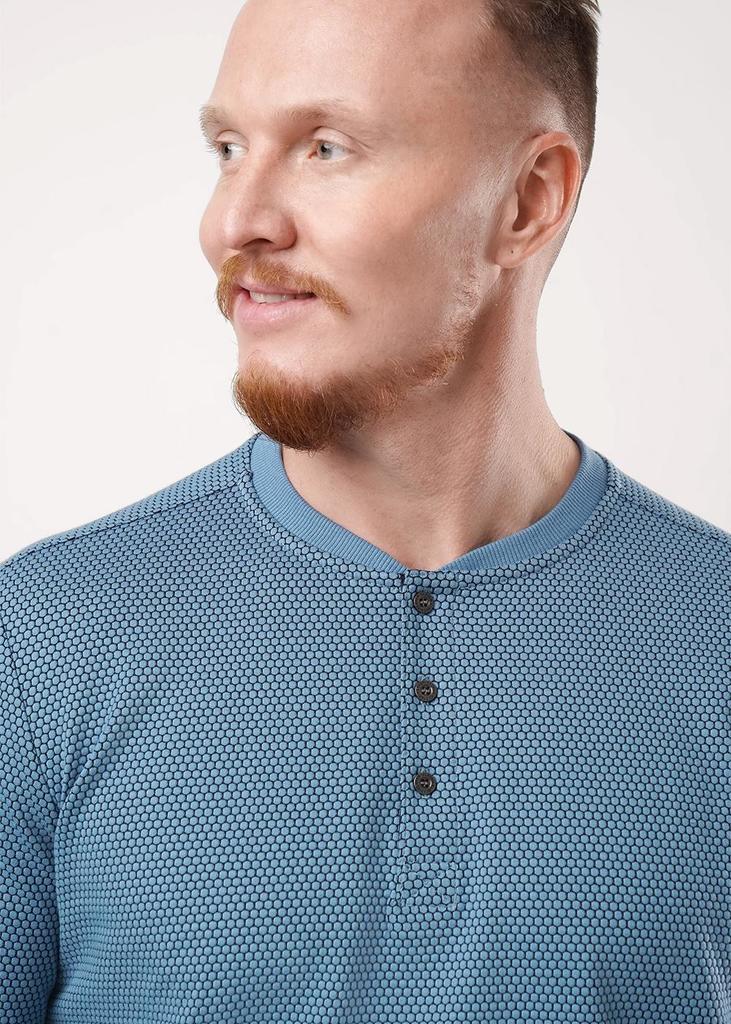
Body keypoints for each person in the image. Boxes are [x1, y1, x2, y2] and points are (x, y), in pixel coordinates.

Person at [2, 0, 729, 1020]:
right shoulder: (41, 635)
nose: (233, 223)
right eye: (228, 148)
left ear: (527, 200)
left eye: (325, 147)